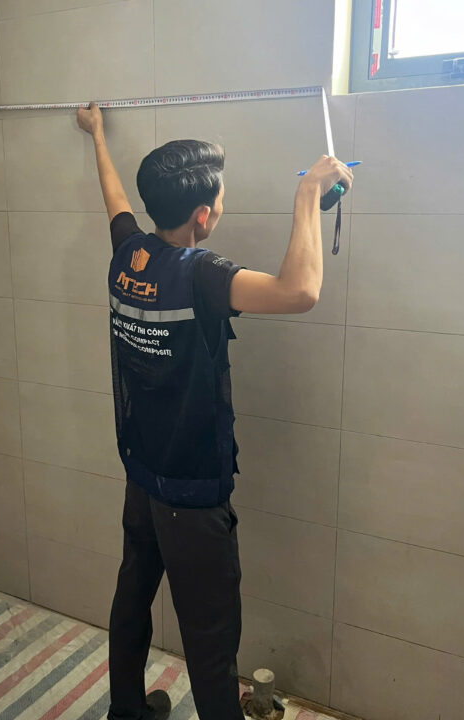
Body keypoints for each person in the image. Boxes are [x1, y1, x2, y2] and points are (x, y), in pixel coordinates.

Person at [76, 102, 353, 720]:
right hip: (193, 498)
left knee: (132, 598)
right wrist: (307, 195)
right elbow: (299, 291)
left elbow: (114, 199)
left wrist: (97, 137)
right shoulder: (202, 275)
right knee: (210, 641)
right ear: (203, 215)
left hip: (142, 477)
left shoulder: (128, 254)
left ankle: (127, 711)